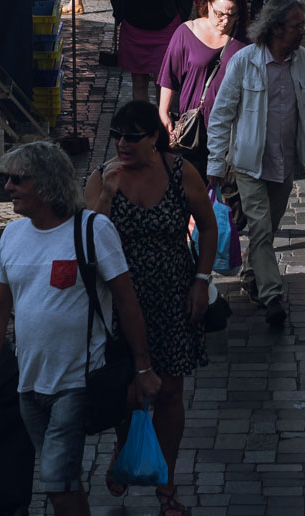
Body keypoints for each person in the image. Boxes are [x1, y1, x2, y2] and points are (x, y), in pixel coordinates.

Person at [0, 142, 160, 516]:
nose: (8, 187)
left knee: (56, 479)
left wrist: (143, 368)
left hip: (76, 382)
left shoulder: (93, 230)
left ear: (47, 184)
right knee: (65, 479)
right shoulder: (10, 237)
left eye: (17, 179)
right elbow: (1, 309)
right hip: (28, 384)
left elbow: (127, 301)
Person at [84, 102, 217, 516]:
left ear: (154, 138)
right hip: (120, 300)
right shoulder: (101, 178)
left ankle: (167, 483)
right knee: (127, 388)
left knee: (170, 393)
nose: (122, 144)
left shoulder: (179, 172)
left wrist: (202, 280)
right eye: (118, 135)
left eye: (132, 136)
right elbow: (89, 240)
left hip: (172, 295)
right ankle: (125, 448)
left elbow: (208, 226)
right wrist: (106, 193)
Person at [207, 0, 305, 325]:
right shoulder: (245, 61)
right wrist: (215, 166)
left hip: (285, 161)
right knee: (259, 226)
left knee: (266, 230)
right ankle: (272, 295)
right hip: (249, 163)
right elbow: (221, 116)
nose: (303, 31)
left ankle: (250, 274)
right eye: (296, 26)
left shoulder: (302, 58)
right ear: (275, 29)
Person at [158, 0, 248, 173]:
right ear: (208, 6)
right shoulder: (186, 32)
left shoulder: (244, 41)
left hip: (231, 127)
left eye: (232, 15)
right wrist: (163, 112)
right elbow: (169, 76)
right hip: (195, 126)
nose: (225, 21)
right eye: (220, 14)